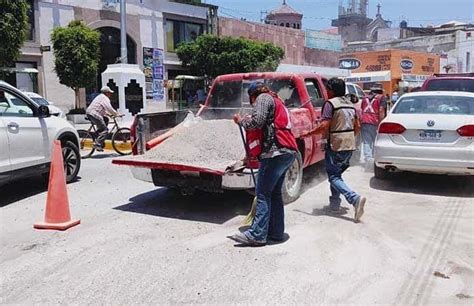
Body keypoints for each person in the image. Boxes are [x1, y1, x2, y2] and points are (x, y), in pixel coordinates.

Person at [229, 82, 297, 246]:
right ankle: (276, 232)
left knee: (263, 194)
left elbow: (257, 122)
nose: (253, 103)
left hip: (275, 153)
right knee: (274, 194)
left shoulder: (263, 98)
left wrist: (241, 121)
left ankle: (257, 234)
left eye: (251, 100)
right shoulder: (277, 100)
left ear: (253, 95)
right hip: (287, 152)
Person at [305, 78, 366, 222]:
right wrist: (347, 137)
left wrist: (307, 134)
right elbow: (357, 126)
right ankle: (334, 204)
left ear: (331, 90)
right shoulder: (350, 104)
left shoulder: (330, 104)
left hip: (336, 146)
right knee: (336, 174)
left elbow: (324, 125)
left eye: (327, 89)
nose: (326, 92)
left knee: (333, 177)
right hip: (349, 145)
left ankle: (354, 199)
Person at [85, 86, 119, 151]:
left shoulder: (100, 97)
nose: (110, 94)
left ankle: (97, 135)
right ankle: (97, 143)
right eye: (109, 93)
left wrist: (109, 115)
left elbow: (101, 109)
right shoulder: (104, 98)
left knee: (106, 119)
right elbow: (109, 108)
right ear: (106, 93)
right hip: (94, 114)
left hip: (91, 113)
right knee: (105, 130)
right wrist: (116, 114)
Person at [360, 88, 387, 162]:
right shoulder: (382, 98)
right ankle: (374, 159)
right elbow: (381, 111)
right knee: (376, 141)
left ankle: (368, 159)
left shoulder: (365, 98)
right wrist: (381, 123)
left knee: (367, 142)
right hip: (375, 122)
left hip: (364, 121)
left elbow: (362, 110)